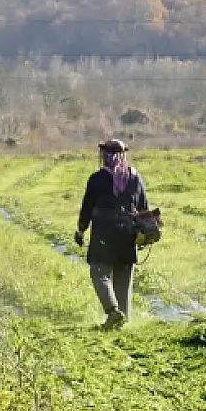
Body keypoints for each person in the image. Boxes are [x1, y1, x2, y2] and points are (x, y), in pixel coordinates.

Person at [74, 138, 150, 330]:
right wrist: (144, 234)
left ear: (103, 155)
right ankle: (121, 322)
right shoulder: (135, 178)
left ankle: (113, 311)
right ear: (124, 154)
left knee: (99, 273)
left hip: (103, 234)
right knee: (123, 280)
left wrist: (81, 230)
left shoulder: (97, 179)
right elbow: (143, 209)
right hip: (127, 234)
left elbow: (87, 208)